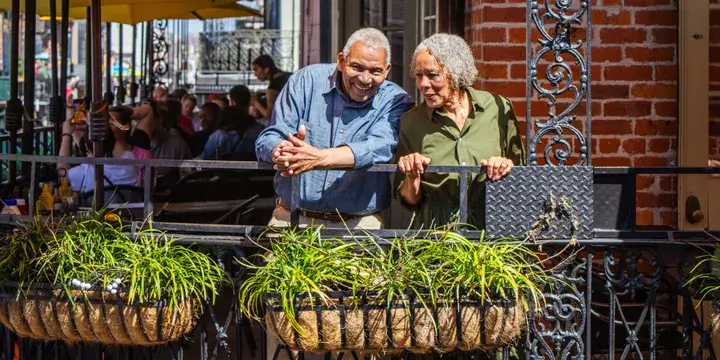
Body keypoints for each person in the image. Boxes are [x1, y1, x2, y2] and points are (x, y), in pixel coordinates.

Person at [255, 27, 414, 230]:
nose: (365, 79)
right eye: (357, 67)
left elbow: (380, 146)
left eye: (375, 71)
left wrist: (319, 158)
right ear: (341, 61)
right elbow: (270, 136)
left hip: (358, 225)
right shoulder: (305, 81)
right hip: (291, 218)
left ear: (387, 70)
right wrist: (283, 151)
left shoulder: (395, 100)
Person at [394, 33, 525, 230]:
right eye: (419, 75)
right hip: (436, 235)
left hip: (490, 230)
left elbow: (521, 175)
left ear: (455, 73)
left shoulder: (497, 109)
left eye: (432, 75)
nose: (423, 84)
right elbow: (410, 201)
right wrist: (412, 175)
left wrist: (505, 165)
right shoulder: (411, 122)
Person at [57, 106, 148, 194]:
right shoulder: (130, 160)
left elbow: (62, 173)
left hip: (97, 210)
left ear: (88, 148)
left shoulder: (85, 171)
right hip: (128, 209)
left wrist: (66, 135)